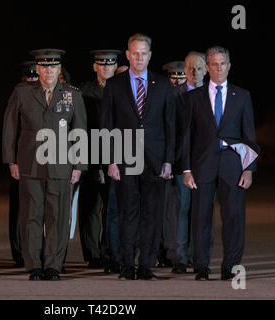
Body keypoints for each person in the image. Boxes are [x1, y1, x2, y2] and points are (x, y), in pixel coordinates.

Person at [2, 49, 87, 281]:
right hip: (30, 163)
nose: (48, 71)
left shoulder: (72, 95)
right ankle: (34, 265)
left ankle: (53, 265)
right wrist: (11, 160)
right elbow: (10, 127)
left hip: (61, 165)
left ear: (59, 70)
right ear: (37, 69)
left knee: (57, 217)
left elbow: (79, 131)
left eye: (53, 67)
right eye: (44, 67)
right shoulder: (22, 93)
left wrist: (79, 165)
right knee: (31, 215)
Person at [100, 33, 176, 280]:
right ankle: (126, 266)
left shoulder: (163, 85)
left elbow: (170, 126)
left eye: (144, 53)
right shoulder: (115, 85)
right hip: (124, 160)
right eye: (135, 52)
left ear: (150, 55)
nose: (139, 57)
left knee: (151, 215)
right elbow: (106, 127)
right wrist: (110, 161)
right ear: (128, 54)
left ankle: (146, 266)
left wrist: (168, 160)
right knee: (127, 213)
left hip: (155, 162)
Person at [183, 46, 258, 281]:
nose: (219, 68)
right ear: (207, 67)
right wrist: (186, 169)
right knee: (201, 218)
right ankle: (202, 267)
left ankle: (231, 267)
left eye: (223, 63)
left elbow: (249, 137)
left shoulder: (242, 96)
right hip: (202, 165)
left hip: (232, 165)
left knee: (234, 218)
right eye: (214, 64)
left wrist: (249, 168)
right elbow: (186, 136)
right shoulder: (193, 98)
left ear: (229, 66)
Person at [78, 49, 121, 271]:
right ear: (95, 67)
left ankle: (110, 252)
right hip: (90, 154)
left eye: (110, 65)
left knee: (113, 209)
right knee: (91, 208)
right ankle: (93, 254)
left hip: (117, 156)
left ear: (116, 66)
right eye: (102, 65)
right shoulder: (84, 91)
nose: (106, 68)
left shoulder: (123, 89)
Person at [169, 51, 208, 274]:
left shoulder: (212, 95)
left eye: (200, 67)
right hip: (180, 162)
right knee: (180, 209)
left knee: (202, 211)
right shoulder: (174, 95)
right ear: (185, 70)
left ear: (207, 69)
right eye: (191, 68)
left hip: (205, 164)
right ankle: (179, 258)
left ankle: (199, 256)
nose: (195, 72)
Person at [8, 61, 39, 268]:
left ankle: (35, 251)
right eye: (28, 76)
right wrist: (11, 160)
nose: (32, 80)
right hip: (22, 159)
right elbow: (9, 130)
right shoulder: (18, 95)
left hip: (43, 158)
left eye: (34, 76)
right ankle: (19, 252)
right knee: (20, 210)